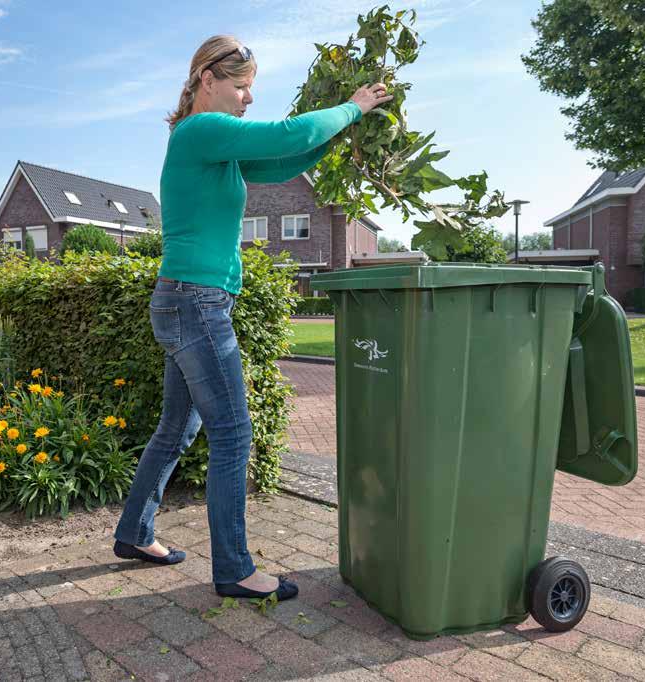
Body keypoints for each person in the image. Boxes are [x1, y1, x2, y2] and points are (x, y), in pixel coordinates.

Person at [112, 34, 393, 601]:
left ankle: (135, 533)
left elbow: (285, 157)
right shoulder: (199, 130)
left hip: (184, 300)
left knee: (178, 426)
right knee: (233, 432)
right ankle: (235, 569)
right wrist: (353, 107)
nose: (248, 99)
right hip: (196, 302)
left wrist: (340, 134)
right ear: (206, 79)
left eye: (251, 90)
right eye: (241, 87)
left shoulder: (213, 147)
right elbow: (286, 133)